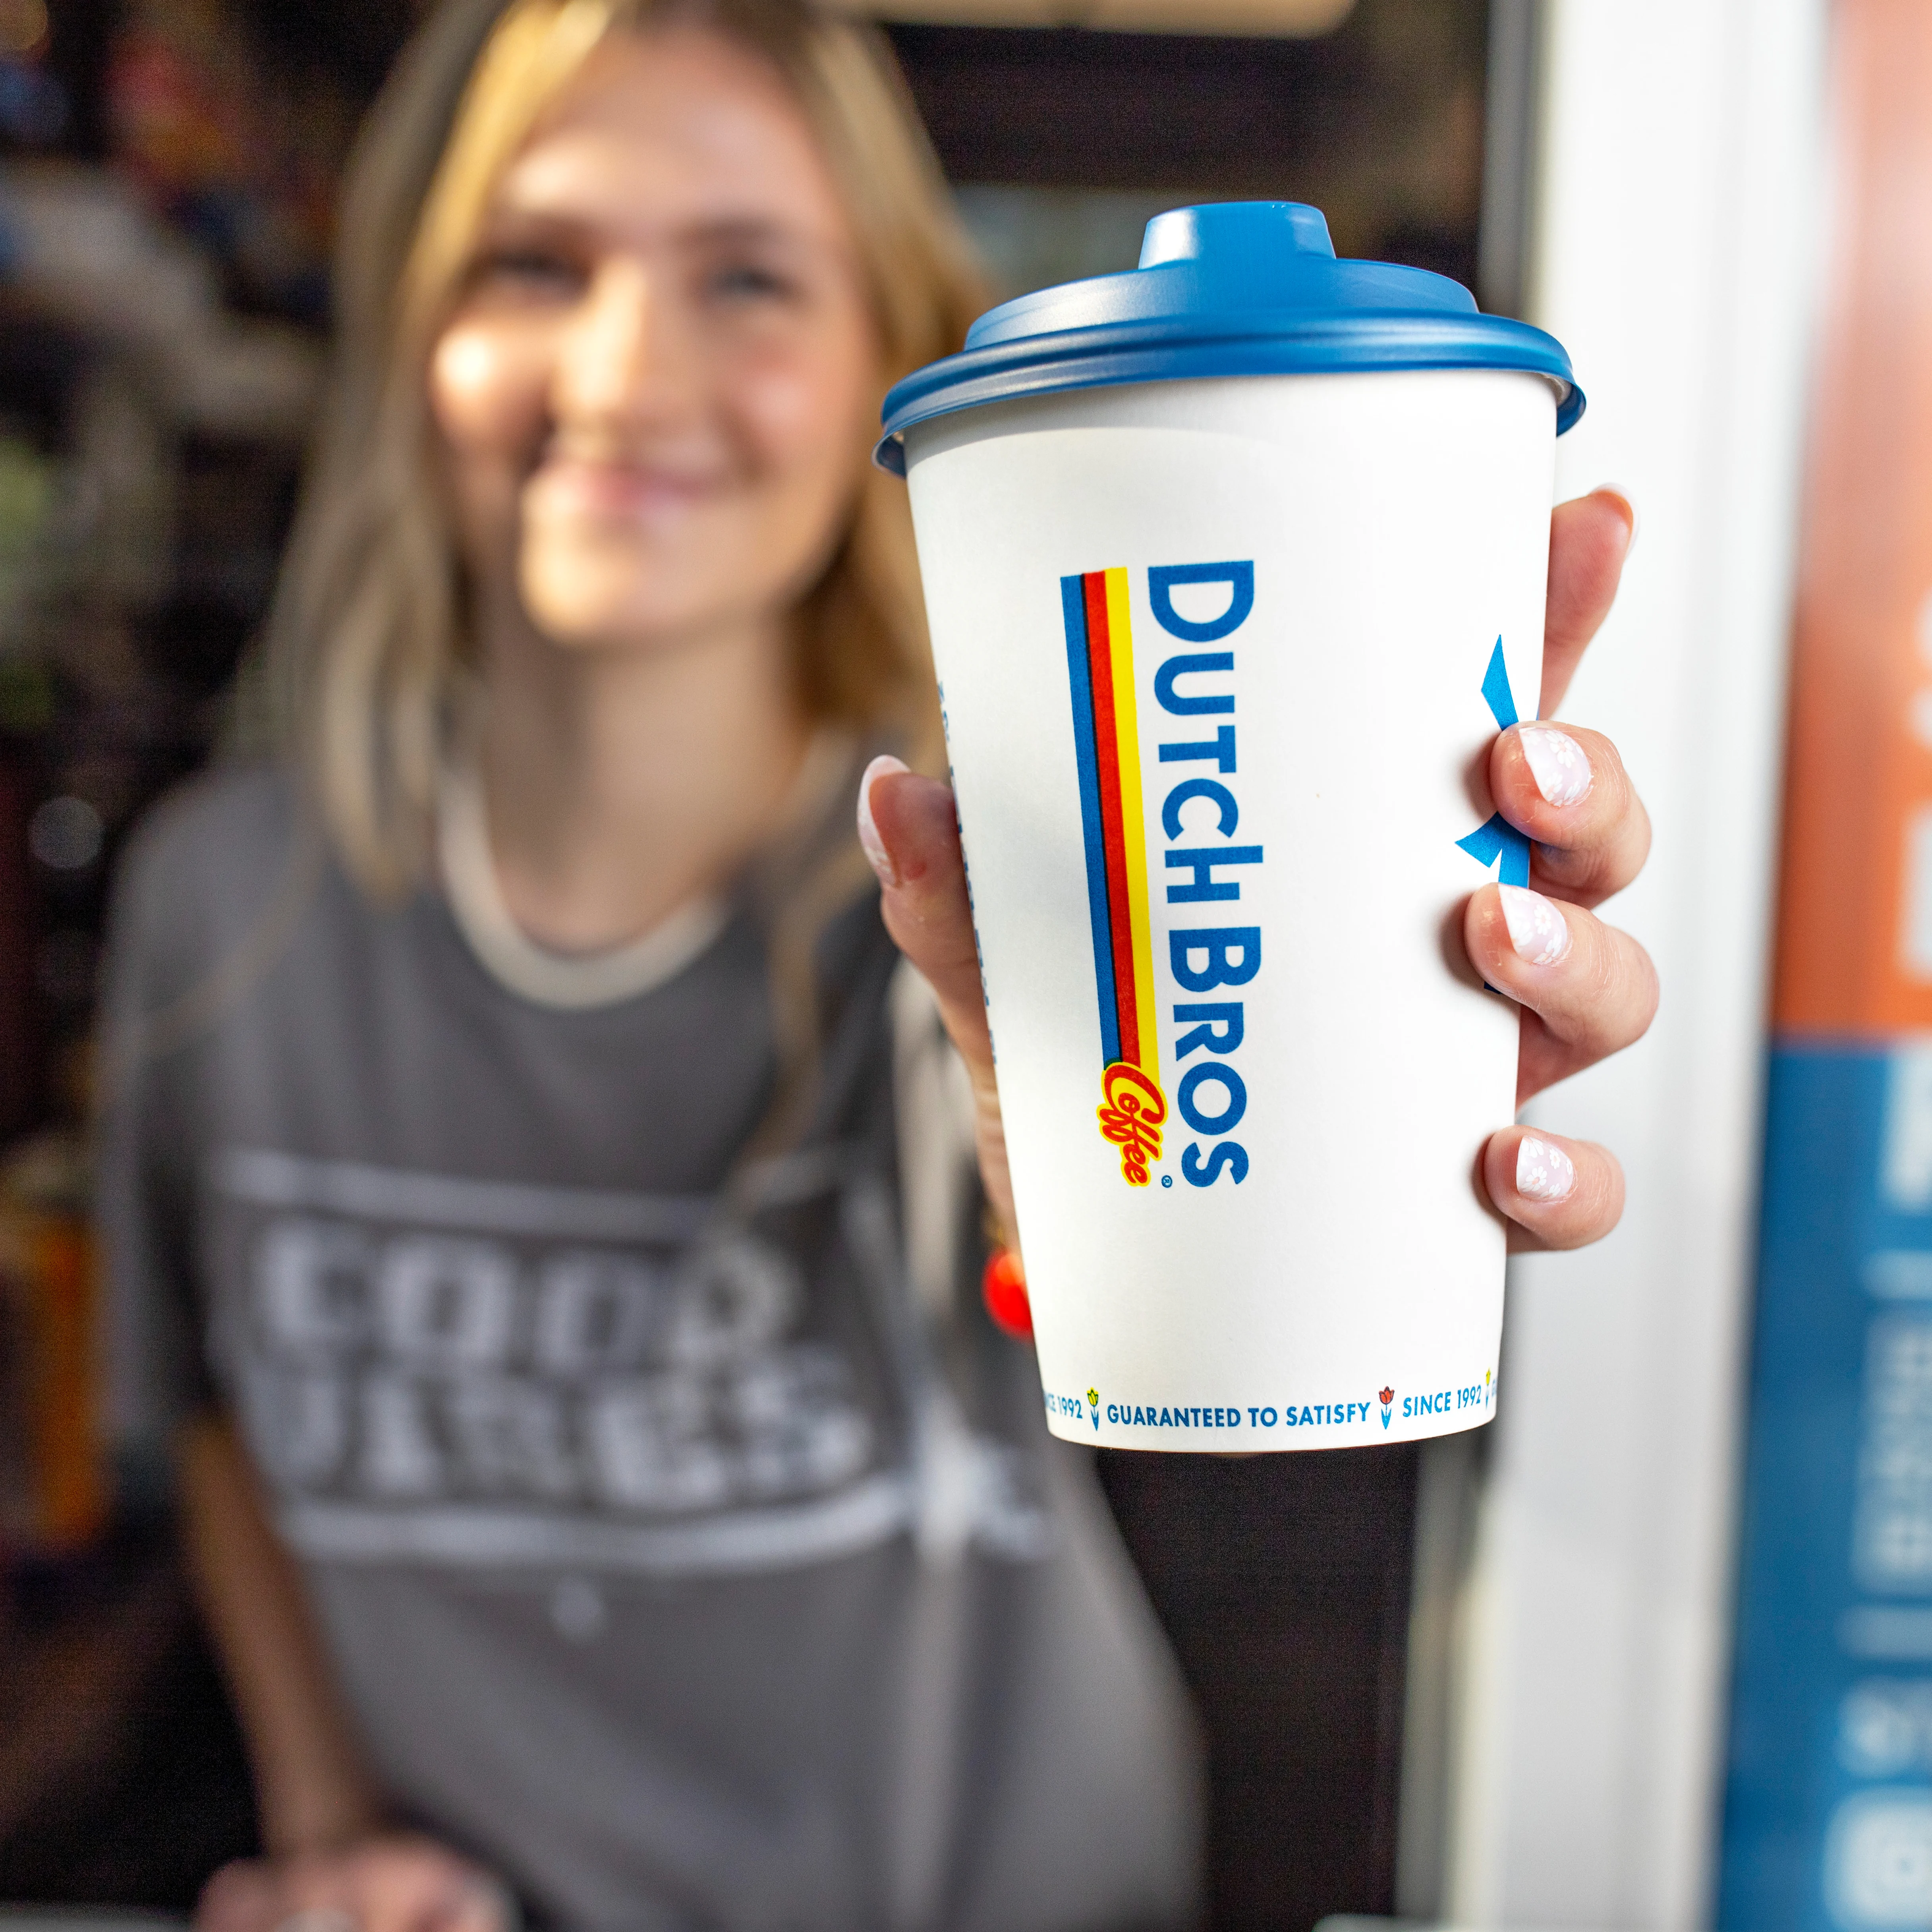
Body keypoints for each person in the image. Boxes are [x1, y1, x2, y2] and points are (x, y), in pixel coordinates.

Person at [96, 1, 1656, 1928]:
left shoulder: (1010, 875)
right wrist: (331, 1830)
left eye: (745, 278)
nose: (626, 369)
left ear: (877, 360)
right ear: (413, 332)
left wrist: (1282, 1067)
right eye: (535, 264)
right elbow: (215, 1408)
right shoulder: (221, 906)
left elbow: (1045, 1225)